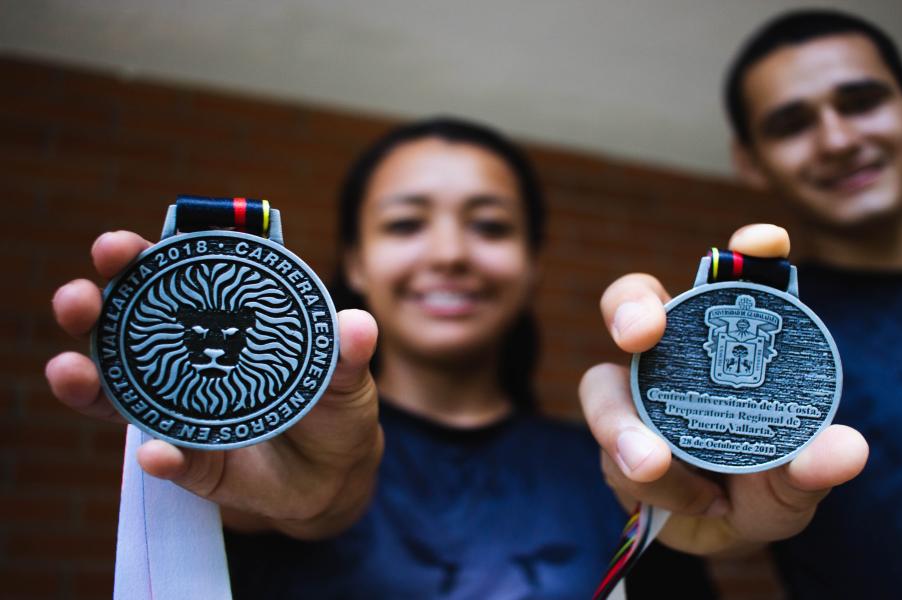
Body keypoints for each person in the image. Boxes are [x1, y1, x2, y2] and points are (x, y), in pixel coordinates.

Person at [46, 117, 714, 598]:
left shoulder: (622, 469)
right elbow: (282, 499)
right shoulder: (260, 443)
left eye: (490, 225)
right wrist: (299, 500)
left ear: (533, 263)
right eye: (405, 223)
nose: (450, 253)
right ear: (357, 261)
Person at [582, 8, 902, 599]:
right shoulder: (708, 327)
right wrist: (691, 502)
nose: (837, 139)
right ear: (749, 159)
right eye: (791, 123)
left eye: (859, 101)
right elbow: (732, 522)